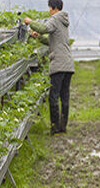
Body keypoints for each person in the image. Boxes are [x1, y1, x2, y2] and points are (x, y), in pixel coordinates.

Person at [24, 0, 75, 135]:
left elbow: (44, 28)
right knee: (64, 96)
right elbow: (52, 40)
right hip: (68, 64)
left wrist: (30, 22)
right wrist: (39, 37)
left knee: (53, 96)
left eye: (49, 8)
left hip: (58, 64)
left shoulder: (55, 18)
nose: (48, 11)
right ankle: (63, 127)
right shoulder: (63, 20)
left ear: (53, 8)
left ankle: (55, 127)